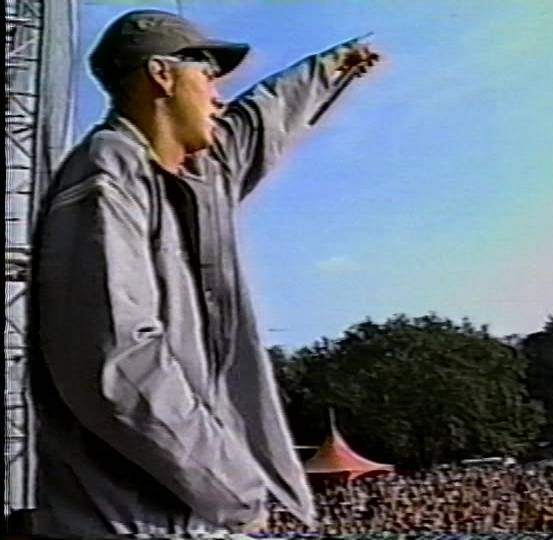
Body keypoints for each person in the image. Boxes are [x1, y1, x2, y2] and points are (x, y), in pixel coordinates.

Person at [29, 9, 379, 538]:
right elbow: (118, 364)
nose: (219, 98)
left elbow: (261, 120)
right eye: (209, 77)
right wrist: (234, 487)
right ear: (161, 76)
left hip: (186, 517)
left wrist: (331, 68)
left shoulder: (198, 174)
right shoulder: (106, 175)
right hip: (128, 524)